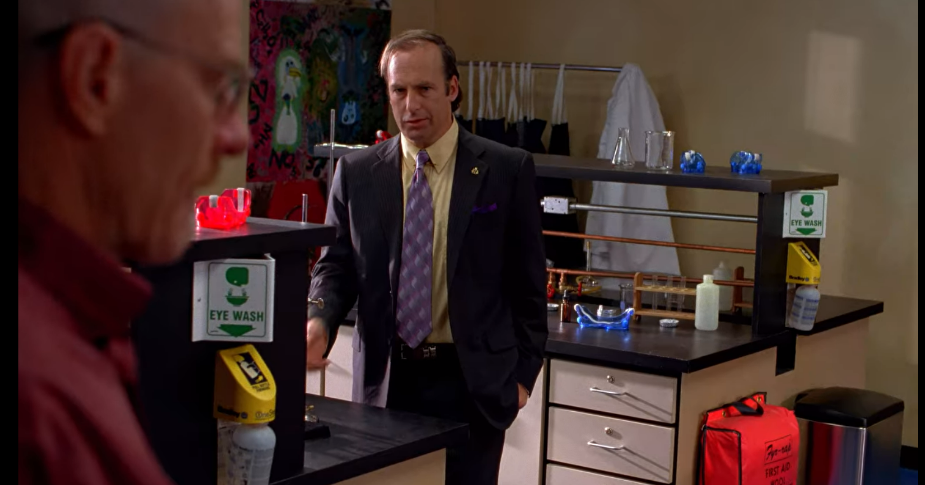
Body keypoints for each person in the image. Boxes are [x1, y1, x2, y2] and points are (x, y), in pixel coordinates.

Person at [18, 0, 249, 483]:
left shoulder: (77, 329)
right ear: (94, 79)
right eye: (220, 89)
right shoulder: (38, 400)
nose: (237, 137)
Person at [305, 29, 548, 485]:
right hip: (386, 382)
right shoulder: (358, 173)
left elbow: (529, 284)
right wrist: (319, 320)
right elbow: (335, 266)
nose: (410, 105)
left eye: (424, 89)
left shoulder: (505, 169)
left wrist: (521, 378)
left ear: (452, 88)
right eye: (399, 91)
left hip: (472, 385)